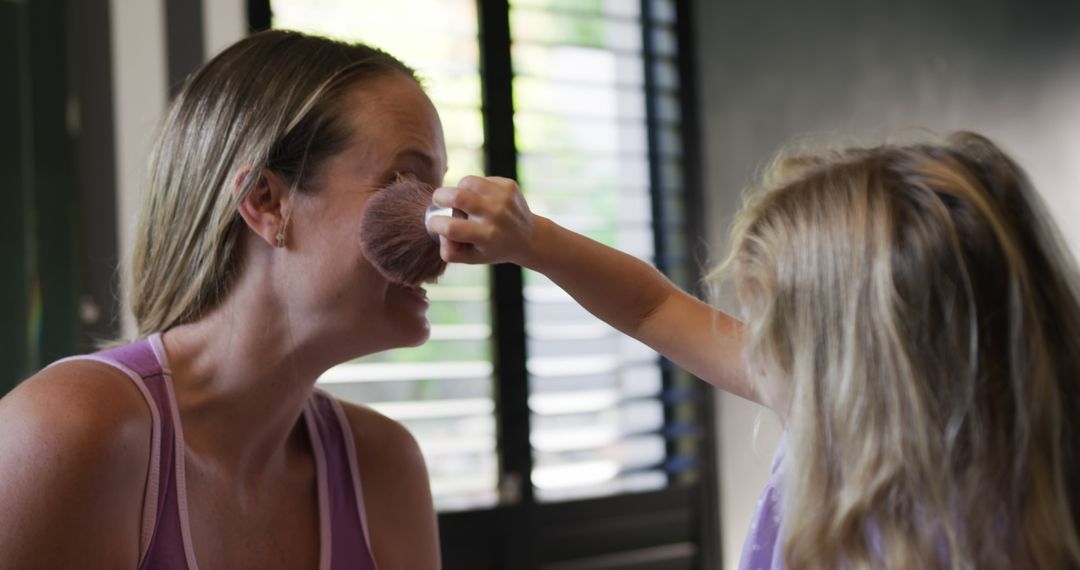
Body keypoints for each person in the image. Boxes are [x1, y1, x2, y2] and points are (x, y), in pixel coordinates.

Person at [426, 132, 1080, 569]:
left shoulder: (992, 531)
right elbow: (654, 307)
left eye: (772, 323)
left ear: (856, 360)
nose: (751, 342)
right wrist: (533, 241)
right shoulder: (833, 406)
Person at [0, 30, 443, 569]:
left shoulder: (384, 466)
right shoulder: (68, 433)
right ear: (265, 202)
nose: (448, 233)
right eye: (407, 185)